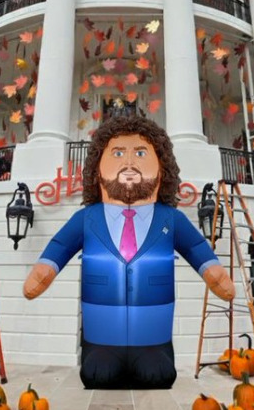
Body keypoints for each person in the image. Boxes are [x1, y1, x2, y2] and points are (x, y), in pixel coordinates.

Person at [23, 115, 235, 389]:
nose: (129, 162)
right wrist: (41, 273)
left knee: (156, 372)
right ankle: (102, 353)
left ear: (162, 167)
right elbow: (59, 247)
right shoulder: (86, 218)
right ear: (97, 168)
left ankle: (153, 353)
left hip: (153, 337)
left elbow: (196, 249)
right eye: (118, 153)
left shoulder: (172, 219)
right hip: (100, 337)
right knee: (99, 372)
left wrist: (216, 275)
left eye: (141, 153)